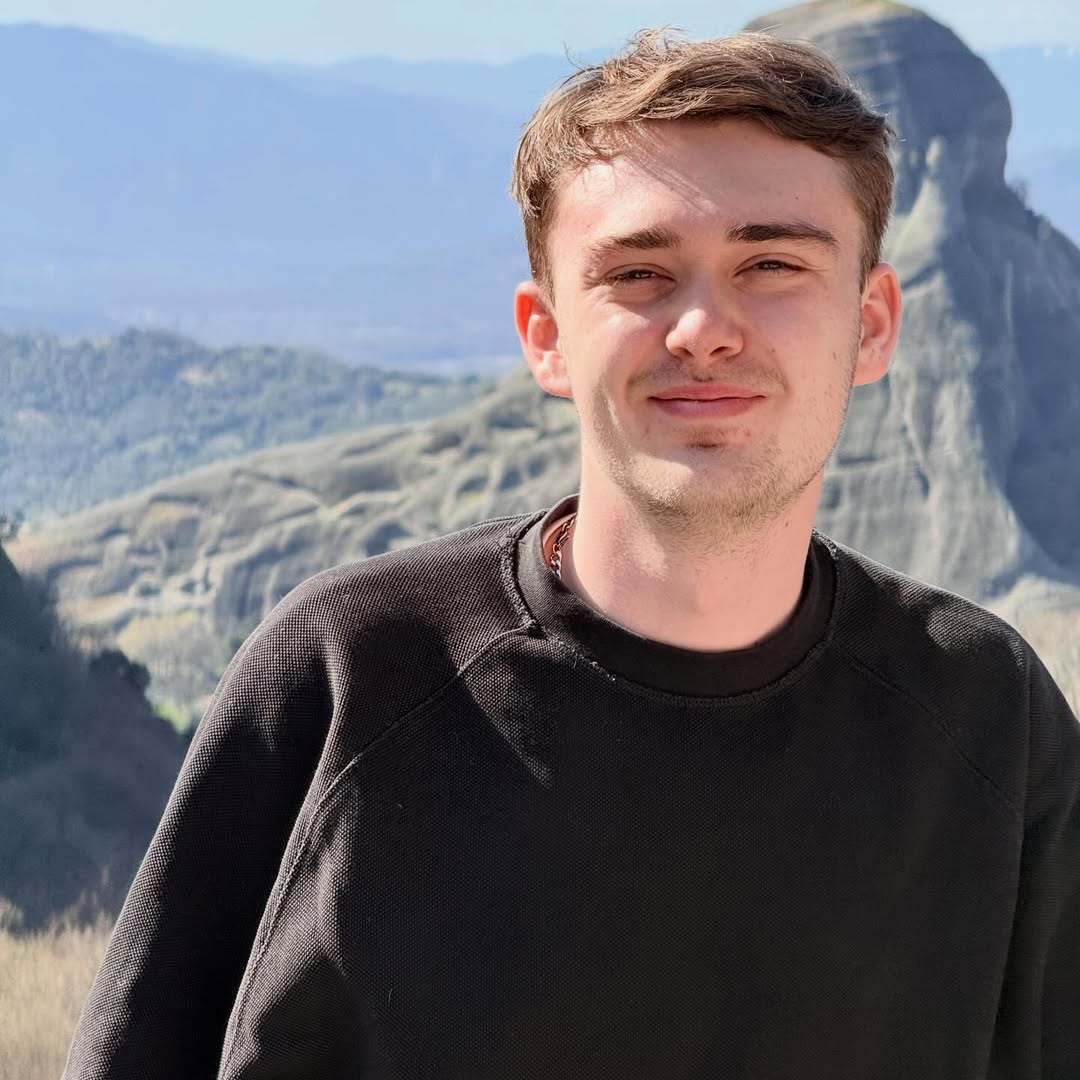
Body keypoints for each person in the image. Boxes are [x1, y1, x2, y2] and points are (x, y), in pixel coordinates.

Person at [66, 29, 1078, 1080]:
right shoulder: (350, 678)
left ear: (872, 325)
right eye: (640, 272)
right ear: (546, 336)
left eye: (772, 264)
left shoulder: (984, 718)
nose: (703, 327)